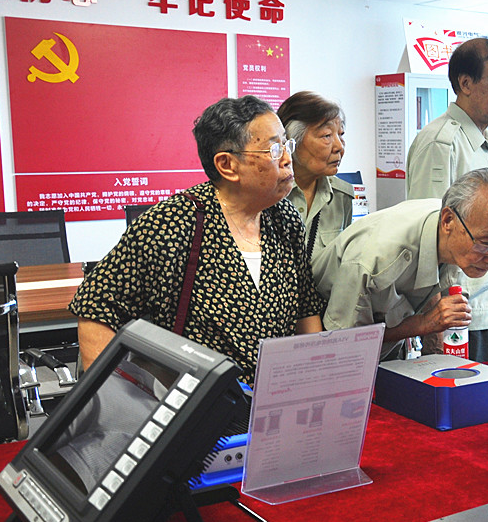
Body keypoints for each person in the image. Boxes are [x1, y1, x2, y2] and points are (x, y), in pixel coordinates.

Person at [70, 95, 325, 383]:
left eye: (286, 144)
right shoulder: (172, 223)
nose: (288, 158)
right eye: (273, 149)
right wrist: (113, 403)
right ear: (228, 165)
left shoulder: (285, 218)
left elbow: (306, 308)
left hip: (272, 399)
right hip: (197, 407)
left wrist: (313, 382)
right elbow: (97, 305)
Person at [314, 167, 488, 358]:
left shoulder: (457, 227)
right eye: (485, 245)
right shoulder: (376, 260)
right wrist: (423, 324)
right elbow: (343, 343)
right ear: (448, 220)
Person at [406, 37, 488, 362]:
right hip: (457, 320)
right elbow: (427, 240)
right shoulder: (442, 144)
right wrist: (434, 329)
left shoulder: (485, 142)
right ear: (465, 83)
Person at [277, 90, 354, 262]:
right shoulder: (267, 196)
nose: (339, 147)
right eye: (326, 136)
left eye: (341, 135)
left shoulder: (342, 196)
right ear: (292, 140)